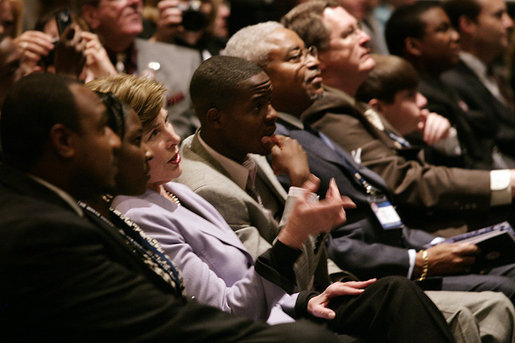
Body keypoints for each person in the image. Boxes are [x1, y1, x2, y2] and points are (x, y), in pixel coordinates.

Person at [89, 63, 459, 343]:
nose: (173, 138)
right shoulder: (140, 211)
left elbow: (260, 282)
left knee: (395, 293)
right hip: (258, 333)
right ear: (120, 145)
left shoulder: (174, 190)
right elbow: (230, 310)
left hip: (289, 311)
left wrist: (304, 301)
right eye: (152, 133)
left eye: (169, 123)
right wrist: (293, 232)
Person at [0, 72, 350, 342]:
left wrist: (298, 303)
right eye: (140, 137)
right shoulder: (45, 229)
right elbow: (165, 318)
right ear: (63, 141)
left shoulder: (160, 193)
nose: (117, 144)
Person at [224, 21, 515, 342]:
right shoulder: (275, 144)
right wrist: (418, 261)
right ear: (258, 77)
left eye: (310, 52)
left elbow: (378, 200)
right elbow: (325, 239)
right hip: (360, 274)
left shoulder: (306, 126)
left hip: (397, 250)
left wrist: (431, 248)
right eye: (296, 57)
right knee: (500, 295)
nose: (313, 61)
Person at [280, 0, 515, 233]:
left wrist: (443, 143)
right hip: (416, 237)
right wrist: (505, 182)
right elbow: (402, 180)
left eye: (359, 28)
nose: (365, 38)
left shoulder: (355, 103)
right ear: (317, 57)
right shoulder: (328, 111)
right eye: (348, 34)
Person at [385, 1, 513, 169]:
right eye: (443, 30)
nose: (455, 36)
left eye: (452, 28)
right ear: (413, 46)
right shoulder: (419, 98)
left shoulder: (443, 82)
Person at [77, 0, 202, 138]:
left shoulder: (184, 60)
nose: (135, 2)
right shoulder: (75, 70)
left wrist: (111, 79)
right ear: (91, 15)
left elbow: (195, 138)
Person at [356, 53, 463, 167]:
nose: (423, 100)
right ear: (377, 109)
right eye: (411, 95)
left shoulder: (417, 138)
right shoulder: (379, 159)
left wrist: (446, 143)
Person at [442, 0, 515, 158]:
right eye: (498, 15)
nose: (509, 23)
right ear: (467, 24)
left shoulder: (492, 70)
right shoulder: (452, 81)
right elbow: (500, 137)